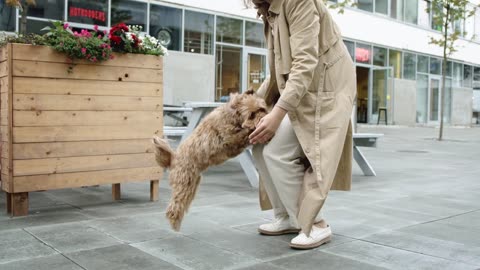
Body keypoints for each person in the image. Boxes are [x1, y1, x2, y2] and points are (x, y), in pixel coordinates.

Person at [246, 0, 356, 250]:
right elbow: (278, 69)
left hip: (327, 88)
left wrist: (276, 115)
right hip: (304, 89)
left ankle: (315, 224)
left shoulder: (299, 1)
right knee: (262, 148)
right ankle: (286, 216)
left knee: (277, 151)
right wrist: (253, 102)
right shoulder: (270, 10)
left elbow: (305, 62)